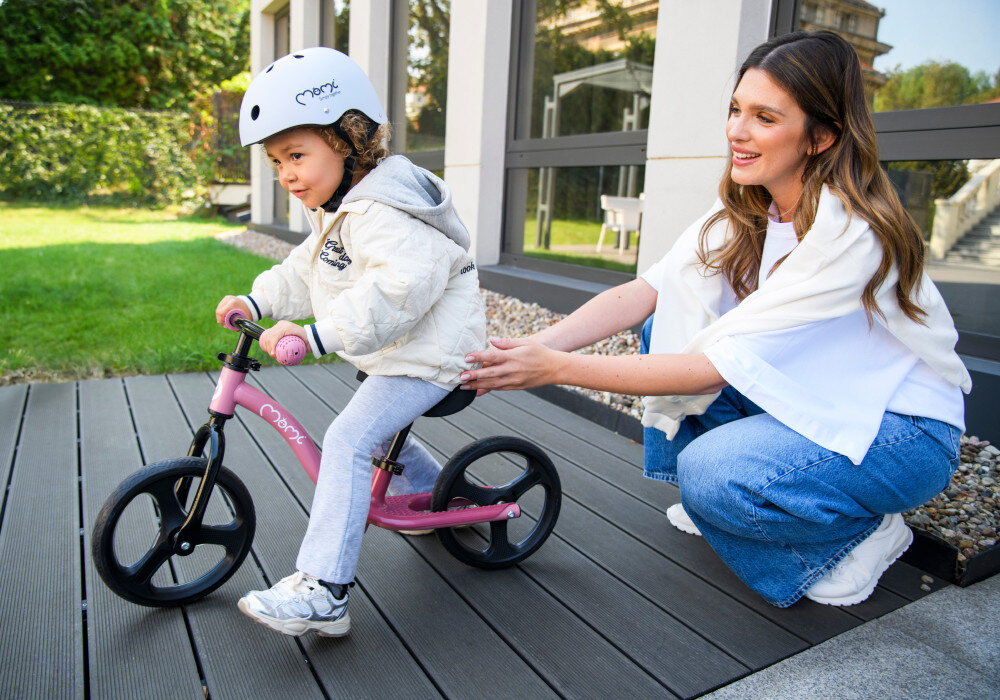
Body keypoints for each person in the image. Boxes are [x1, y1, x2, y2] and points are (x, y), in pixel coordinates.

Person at [459, 30, 971, 608]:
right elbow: (646, 291)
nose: (737, 131)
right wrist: (531, 346)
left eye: (764, 117)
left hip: (900, 433)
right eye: (735, 109)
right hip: (819, 398)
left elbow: (708, 371)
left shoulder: (848, 236)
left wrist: (553, 369)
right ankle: (754, 498)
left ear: (821, 136)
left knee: (711, 476)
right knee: (663, 326)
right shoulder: (746, 207)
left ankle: (859, 532)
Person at [216, 47, 485, 636]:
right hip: (400, 352)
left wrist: (316, 336)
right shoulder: (338, 207)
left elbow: (396, 294)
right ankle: (449, 495)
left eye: (296, 155)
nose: (286, 174)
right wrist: (257, 303)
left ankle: (325, 591)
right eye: (276, 161)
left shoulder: (388, 214)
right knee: (377, 433)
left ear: (348, 139)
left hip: (433, 357)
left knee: (347, 439)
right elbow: (304, 268)